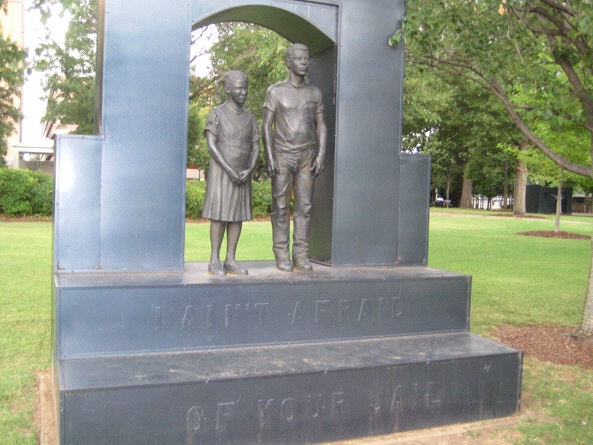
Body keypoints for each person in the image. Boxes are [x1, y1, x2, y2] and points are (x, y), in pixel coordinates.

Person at [262, 43, 327, 272]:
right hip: (282, 155)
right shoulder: (275, 91)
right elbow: (266, 125)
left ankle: (301, 254)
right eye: (298, 59)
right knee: (280, 207)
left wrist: (321, 153)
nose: (304, 62)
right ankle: (281, 253)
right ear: (288, 62)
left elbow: (321, 125)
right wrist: (269, 155)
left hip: (307, 156)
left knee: (304, 208)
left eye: (306, 58)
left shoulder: (314, 93)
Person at [202, 70, 260, 276]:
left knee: (236, 217)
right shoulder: (217, 113)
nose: (243, 92)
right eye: (239, 88)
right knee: (219, 216)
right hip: (222, 173)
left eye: (246, 88)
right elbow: (211, 144)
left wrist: (249, 170)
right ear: (228, 89)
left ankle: (230, 259)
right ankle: (214, 260)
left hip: (242, 175)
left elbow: (256, 147)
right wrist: (229, 169)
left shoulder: (250, 117)